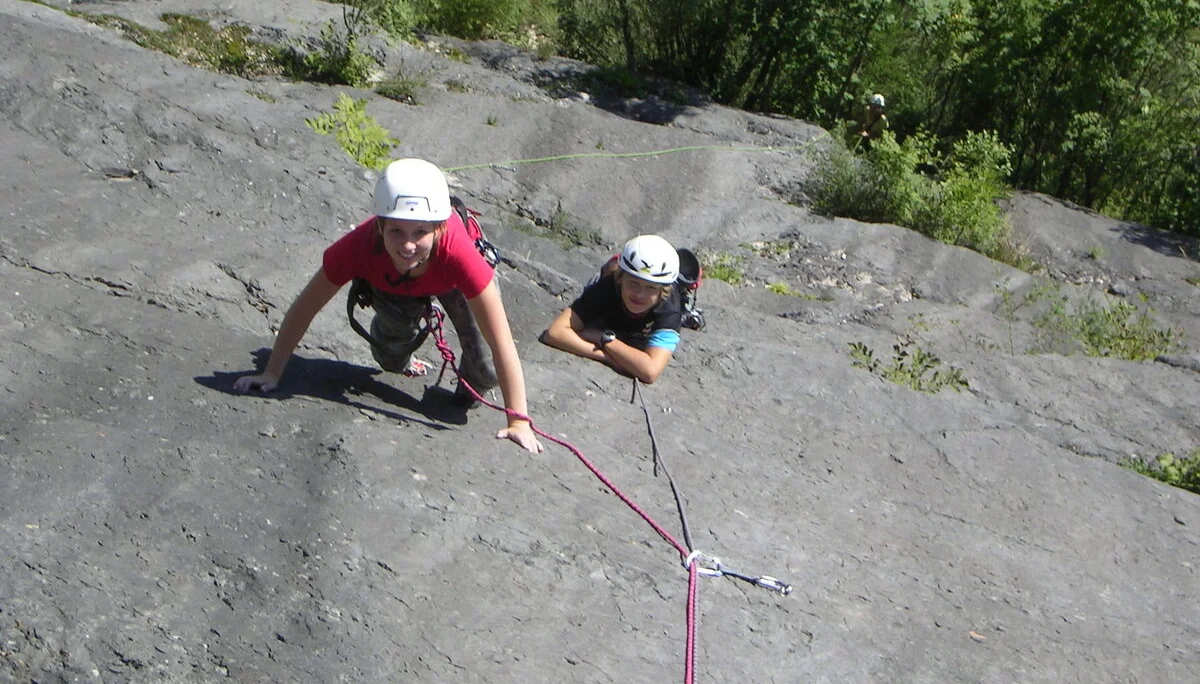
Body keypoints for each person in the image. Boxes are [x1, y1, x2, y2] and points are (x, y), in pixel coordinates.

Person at [234, 158, 543, 453]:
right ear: (379, 226)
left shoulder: (459, 253)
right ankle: (401, 332)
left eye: (420, 232)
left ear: (437, 229)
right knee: (390, 360)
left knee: (486, 370)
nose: (408, 245)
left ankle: (468, 385)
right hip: (391, 282)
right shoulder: (359, 247)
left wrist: (518, 420)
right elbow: (305, 307)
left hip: (450, 281)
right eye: (397, 230)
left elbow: (500, 339)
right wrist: (272, 372)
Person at [540, 235, 682, 384]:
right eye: (633, 283)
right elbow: (555, 333)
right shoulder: (606, 288)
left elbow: (650, 371)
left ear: (662, 291)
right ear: (620, 278)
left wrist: (605, 339)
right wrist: (606, 357)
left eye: (650, 287)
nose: (640, 294)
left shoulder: (669, 309)